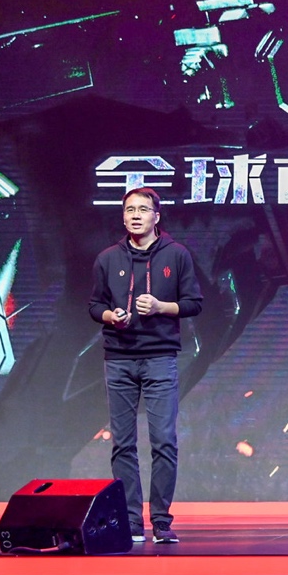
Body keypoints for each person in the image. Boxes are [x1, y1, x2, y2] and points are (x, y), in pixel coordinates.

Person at [88, 187, 203, 544]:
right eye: (129, 210)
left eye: (143, 209)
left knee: (163, 441)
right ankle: (132, 522)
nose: (136, 215)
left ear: (157, 216)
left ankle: (162, 521)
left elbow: (194, 303)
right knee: (123, 443)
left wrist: (159, 307)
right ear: (123, 217)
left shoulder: (177, 255)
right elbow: (94, 306)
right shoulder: (107, 258)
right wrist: (111, 316)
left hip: (160, 358)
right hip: (119, 358)